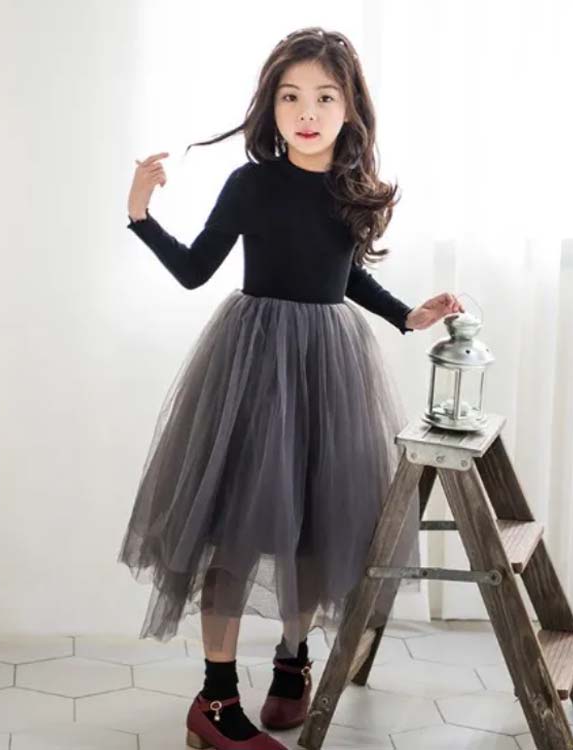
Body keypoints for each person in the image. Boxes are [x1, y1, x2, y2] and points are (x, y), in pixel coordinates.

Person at [117, 27, 464, 750]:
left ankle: (292, 662)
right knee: (236, 528)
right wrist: (141, 216)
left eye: (325, 97)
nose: (307, 112)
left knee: (312, 522)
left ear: (350, 108)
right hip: (252, 364)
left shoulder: (353, 190)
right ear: (270, 106)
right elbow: (195, 270)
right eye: (290, 96)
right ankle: (215, 699)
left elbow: (344, 273)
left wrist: (407, 315)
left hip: (329, 366)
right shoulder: (251, 184)